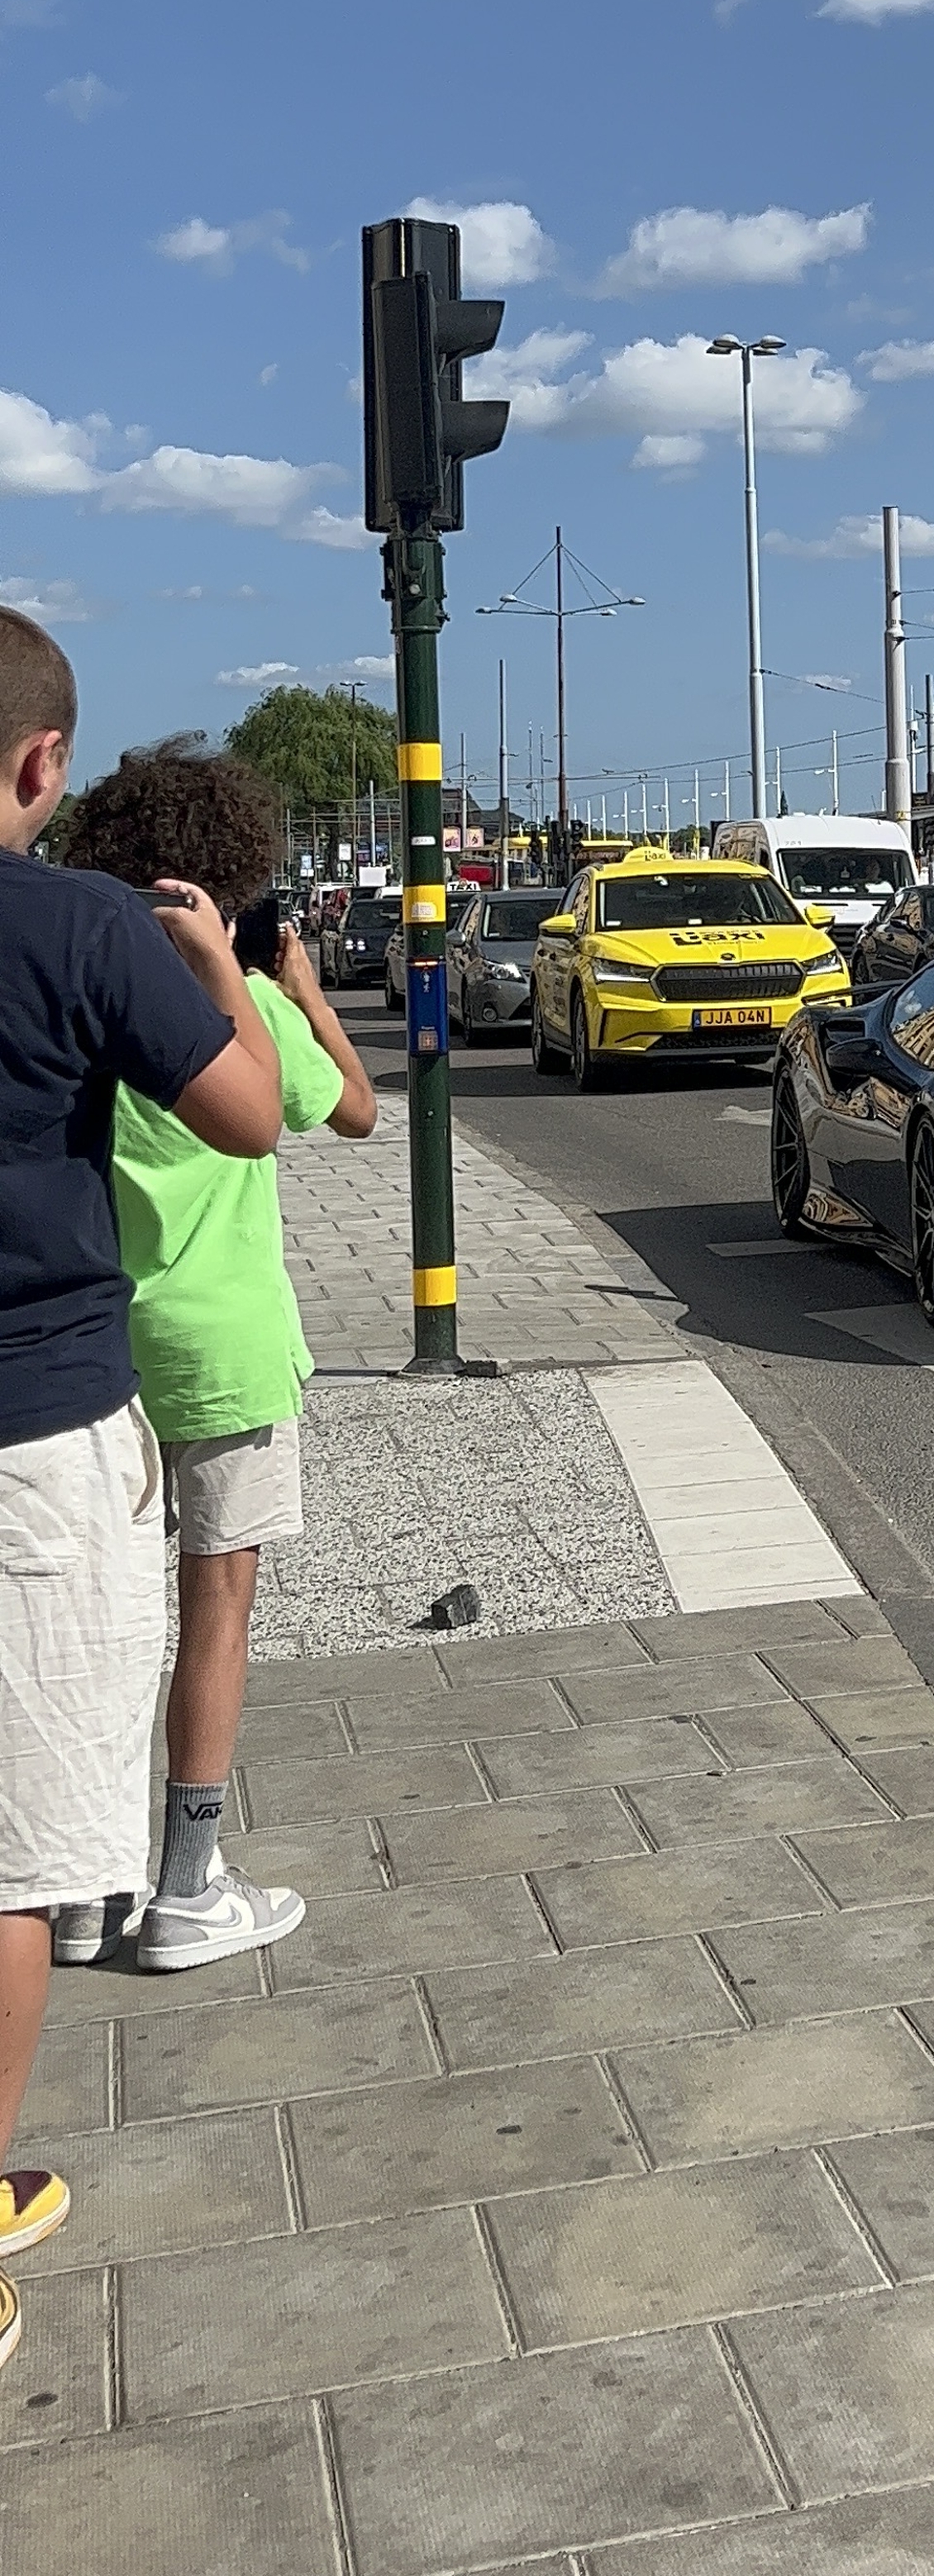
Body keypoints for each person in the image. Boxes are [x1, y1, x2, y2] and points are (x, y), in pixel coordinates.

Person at [0, 612, 281, 2378]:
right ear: (41, 764)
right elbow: (256, 1112)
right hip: (31, 1423)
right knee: (14, 1847)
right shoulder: (84, 927)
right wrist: (221, 964)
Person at [60, 747, 378, 1973]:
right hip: (229, 1353)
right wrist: (288, 981)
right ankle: (189, 1882)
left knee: (99, 1620)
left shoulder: (82, 995)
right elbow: (347, 1107)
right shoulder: (222, 1002)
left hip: (96, 1350)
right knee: (215, 1614)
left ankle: (76, 1881)